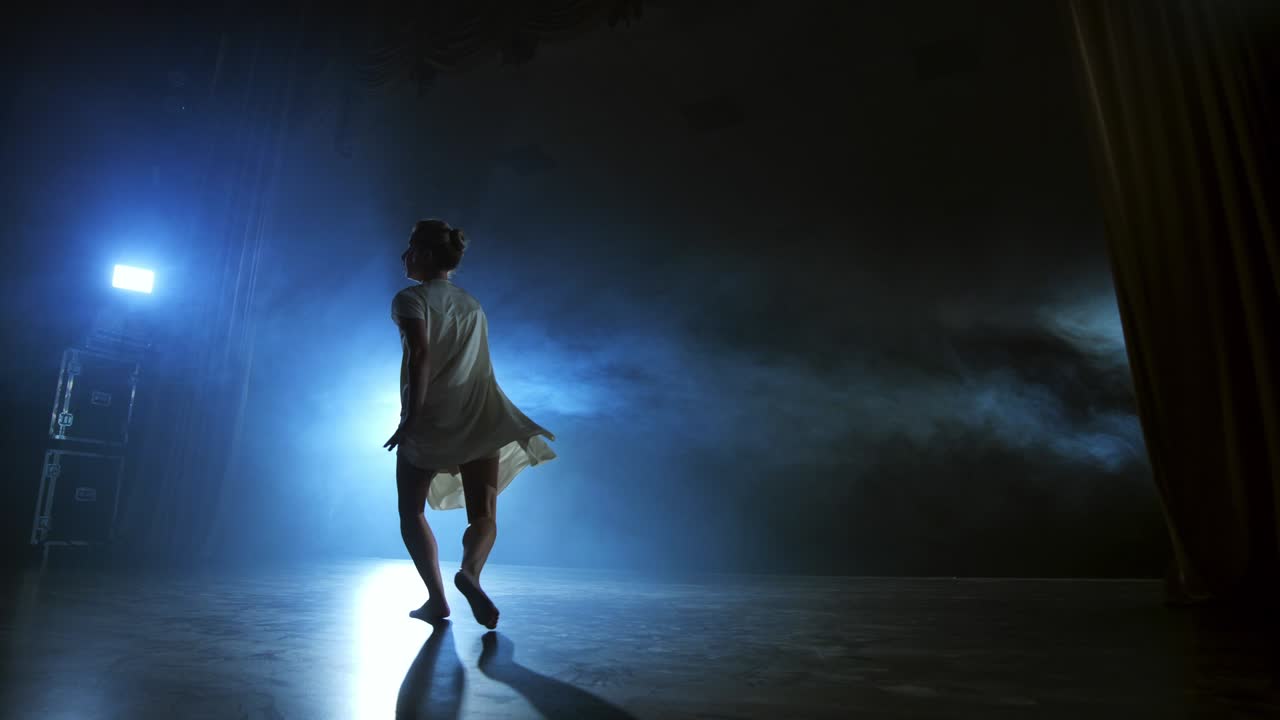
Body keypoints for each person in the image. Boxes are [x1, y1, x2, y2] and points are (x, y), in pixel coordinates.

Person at [384, 219, 556, 629]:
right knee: (484, 516)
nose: (403, 256)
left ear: (425, 255)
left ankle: (437, 599)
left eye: (409, 248)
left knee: (411, 511)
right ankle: (470, 574)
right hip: (478, 415)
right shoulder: (472, 304)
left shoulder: (410, 299)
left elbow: (421, 354)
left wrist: (409, 417)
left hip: (430, 417)